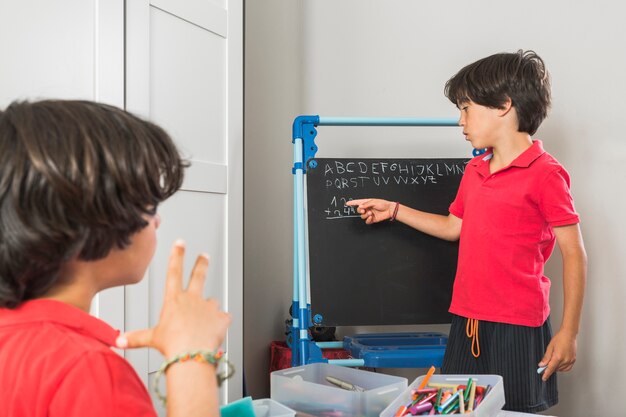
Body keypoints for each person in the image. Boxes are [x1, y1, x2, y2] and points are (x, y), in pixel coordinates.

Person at [346, 50, 586, 413]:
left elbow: (574, 252)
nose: (460, 121)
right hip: (468, 321)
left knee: (515, 410)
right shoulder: (475, 171)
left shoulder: (545, 174)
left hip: (518, 327)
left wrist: (569, 332)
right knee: (455, 410)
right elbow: (453, 227)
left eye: (466, 108)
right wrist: (394, 209)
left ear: (503, 105)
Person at [0, 99, 232, 417]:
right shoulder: (87, 371)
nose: (157, 220)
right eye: (149, 204)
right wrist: (190, 358)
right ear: (87, 219)